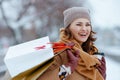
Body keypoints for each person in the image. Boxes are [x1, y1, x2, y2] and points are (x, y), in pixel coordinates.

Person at [37, 7, 106, 80]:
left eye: (87, 25)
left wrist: (102, 76)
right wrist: (65, 69)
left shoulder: (92, 54)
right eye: (78, 24)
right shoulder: (61, 52)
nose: (84, 29)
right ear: (68, 28)